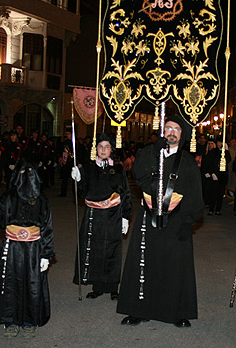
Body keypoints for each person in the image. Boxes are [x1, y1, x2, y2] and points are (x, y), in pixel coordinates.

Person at [118, 116, 203, 327]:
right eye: (168, 128)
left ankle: (176, 311)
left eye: (176, 129)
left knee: (175, 266)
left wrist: (188, 221)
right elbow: (138, 174)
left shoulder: (188, 162)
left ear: (182, 135)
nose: (172, 132)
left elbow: (195, 193)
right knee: (144, 264)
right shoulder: (149, 154)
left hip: (176, 219)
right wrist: (154, 151)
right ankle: (139, 309)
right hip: (148, 217)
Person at [0, 159, 54, 337]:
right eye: (22, 173)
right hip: (13, 247)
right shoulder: (8, 199)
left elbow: (47, 228)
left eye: (30, 172)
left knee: (32, 283)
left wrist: (46, 254)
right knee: (10, 283)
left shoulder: (42, 201)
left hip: (33, 248)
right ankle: (11, 321)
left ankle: (30, 320)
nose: (26, 177)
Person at [71, 134, 131, 299]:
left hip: (113, 214)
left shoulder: (118, 168)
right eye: (100, 147)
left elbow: (125, 192)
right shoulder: (89, 168)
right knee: (95, 249)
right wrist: (77, 179)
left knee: (112, 249)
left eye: (107, 147)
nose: (103, 150)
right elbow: (82, 192)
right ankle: (97, 286)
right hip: (94, 215)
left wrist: (126, 216)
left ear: (111, 149)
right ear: (95, 149)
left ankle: (112, 287)